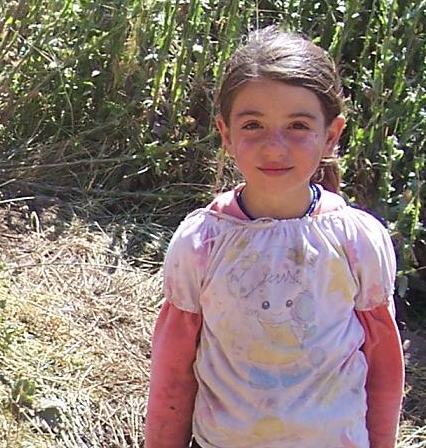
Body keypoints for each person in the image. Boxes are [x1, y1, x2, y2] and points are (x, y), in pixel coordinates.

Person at [145, 27, 404, 448]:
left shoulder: (357, 240)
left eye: (298, 125)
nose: (275, 147)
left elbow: (383, 365)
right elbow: (172, 374)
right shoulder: (202, 243)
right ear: (226, 133)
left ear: (331, 135)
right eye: (253, 125)